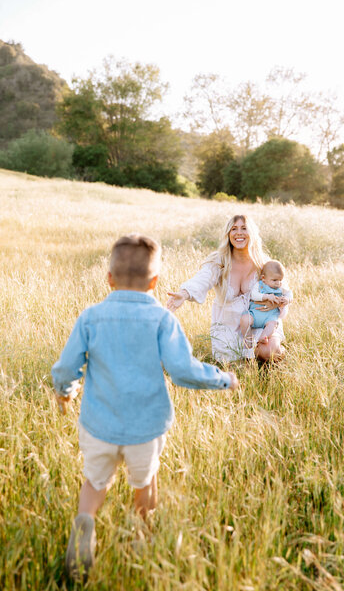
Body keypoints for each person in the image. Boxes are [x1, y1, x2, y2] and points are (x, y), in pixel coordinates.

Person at [52, 234, 238, 579]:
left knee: (94, 481)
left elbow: (65, 367)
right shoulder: (162, 320)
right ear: (155, 281)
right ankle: (142, 536)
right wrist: (222, 378)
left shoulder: (91, 317)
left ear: (109, 278)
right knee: (145, 481)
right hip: (146, 427)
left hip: (99, 425)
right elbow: (183, 371)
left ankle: (85, 523)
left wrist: (66, 390)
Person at [167, 215, 291, 362]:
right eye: (234, 229)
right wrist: (184, 293)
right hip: (228, 326)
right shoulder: (219, 260)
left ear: (252, 233)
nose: (239, 233)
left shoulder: (262, 262)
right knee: (235, 365)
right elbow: (202, 279)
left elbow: (284, 290)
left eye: (244, 228)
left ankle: (276, 352)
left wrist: (279, 303)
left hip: (259, 322)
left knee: (269, 352)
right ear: (228, 234)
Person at [240, 260, 291, 353]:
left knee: (273, 324)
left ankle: (263, 337)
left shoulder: (281, 287)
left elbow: (289, 293)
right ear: (263, 278)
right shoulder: (259, 285)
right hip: (255, 314)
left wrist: (287, 299)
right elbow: (253, 295)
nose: (278, 283)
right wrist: (266, 296)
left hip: (270, 316)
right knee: (244, 319)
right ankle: (248, 340)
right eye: (275, 280)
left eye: (280, 280)